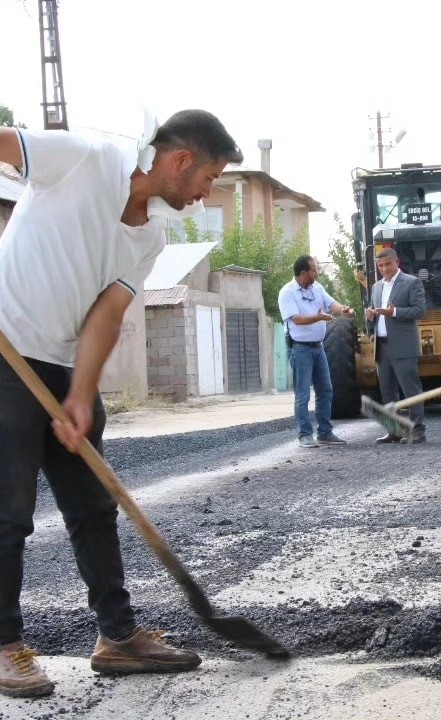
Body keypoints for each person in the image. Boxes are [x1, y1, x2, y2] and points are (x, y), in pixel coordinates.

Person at [0, 109, 243, 698]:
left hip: (61, 365)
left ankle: (117, 636)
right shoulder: (84, 158)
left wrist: (83, 393)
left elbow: (106, 315)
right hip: (5, 352)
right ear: (181, 161)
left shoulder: (150, 235)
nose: (207, 195)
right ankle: (5, 645)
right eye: (209, 179)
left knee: (93, 504)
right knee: (8, 511)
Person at [278, 255, 354, 448]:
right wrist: (319, 318)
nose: (316, 273)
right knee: (303, 394)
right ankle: (304, 434)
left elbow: (331, 304)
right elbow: (297, 320)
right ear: (303, 273)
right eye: (313, 270)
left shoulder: (317, 288)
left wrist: (343, 309)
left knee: (326, 390)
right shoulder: (287, 293)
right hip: (300, 348)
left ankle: (325, 432)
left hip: (318, 347)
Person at [365, 248, 427, 444]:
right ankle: (394, 430)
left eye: (388, 265)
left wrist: (394, 313)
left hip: (403, 346)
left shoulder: (411, 282)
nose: (384, 269)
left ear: (397, 262)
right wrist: (370, 316)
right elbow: (374, 318)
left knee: (410, 389)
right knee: (387, 391)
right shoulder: (376, 288)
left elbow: (420, 310)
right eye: (380, 266)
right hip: (382, 346)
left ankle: (417, 430)